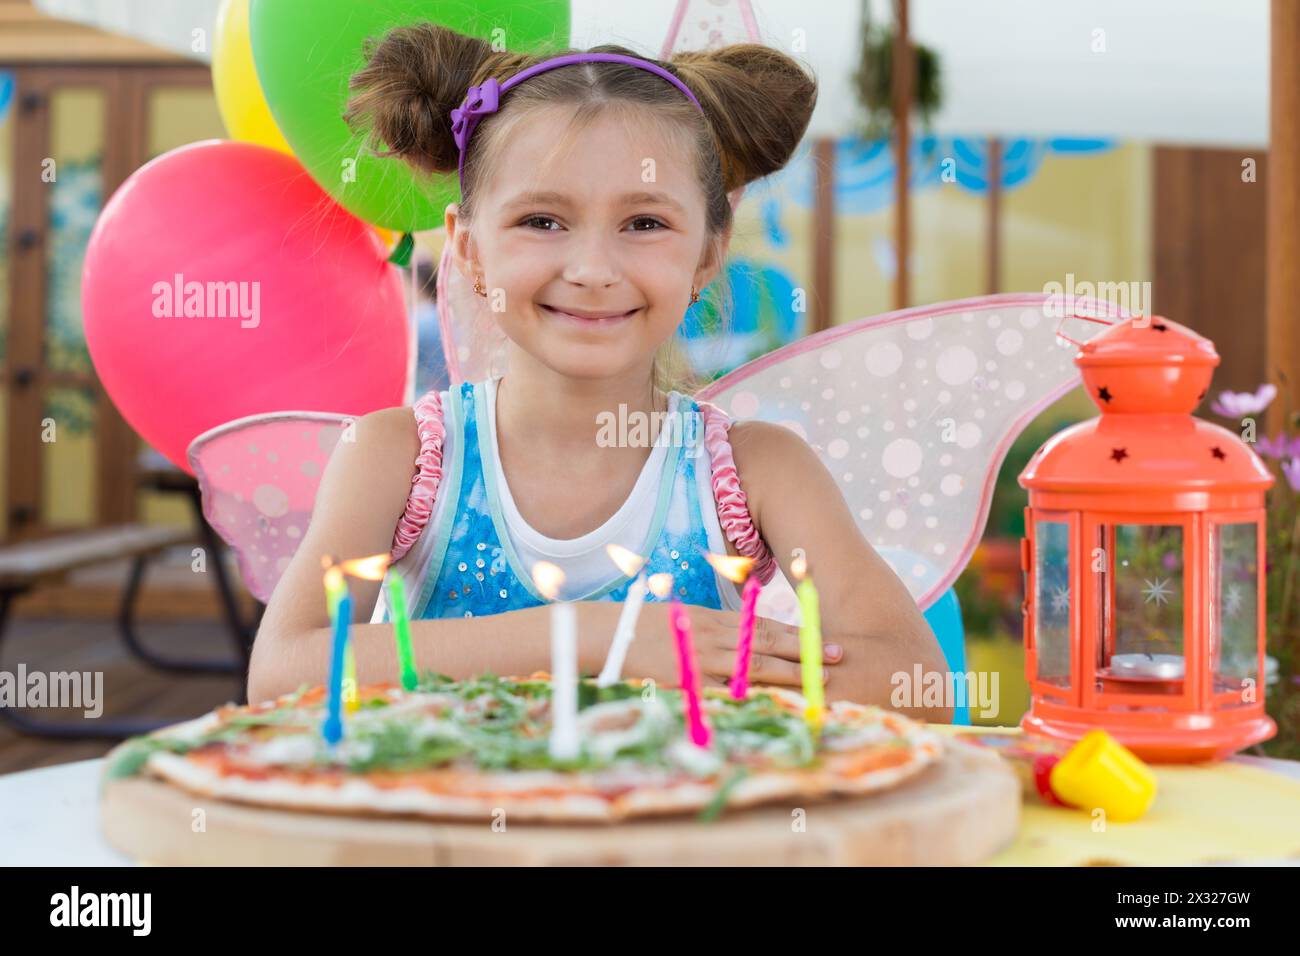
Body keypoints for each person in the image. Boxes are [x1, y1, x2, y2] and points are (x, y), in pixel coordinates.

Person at [248, 24, 951, 722]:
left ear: (709, 253)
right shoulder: (397, 457)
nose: (591, 270)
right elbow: (281, 676)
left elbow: (916, 680)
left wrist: (718, 659)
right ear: (469, 248)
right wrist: (589, 639)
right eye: (542, 221)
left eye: (644, 223)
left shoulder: (757, 470)